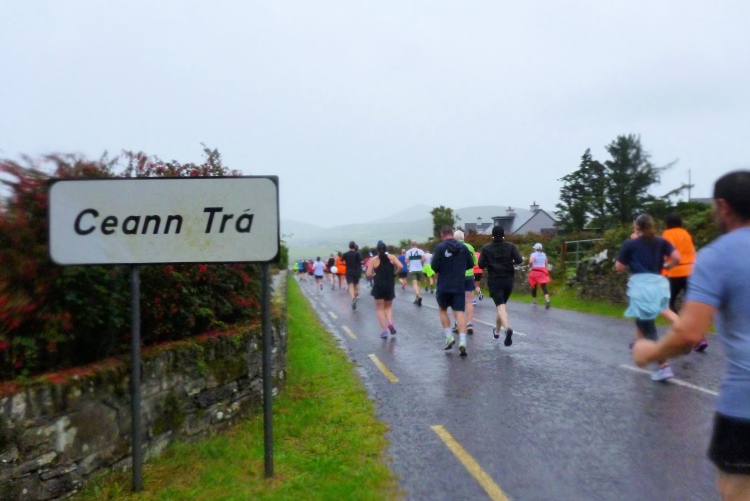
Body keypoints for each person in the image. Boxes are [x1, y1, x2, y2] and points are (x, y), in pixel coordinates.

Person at [632, 171, 750, 501]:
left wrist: (649, 352)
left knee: (738, 490)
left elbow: (689, 334)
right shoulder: (684, 239)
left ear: (723, 206)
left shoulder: (719, 255)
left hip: (744, 403)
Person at [616, 213, 681, 381]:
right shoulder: (661, 241)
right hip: (659, 284)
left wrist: (627, 261)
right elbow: (677, 257)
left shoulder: (630, 244)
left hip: (641, 286)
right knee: (643, 320)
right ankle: (640, 346)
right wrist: (667, 266)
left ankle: (664, 366)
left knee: (648, 326)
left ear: (637, 227)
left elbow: (619, 267)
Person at [662, 214, 707, 352]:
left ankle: (681, 332)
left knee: (667, 304)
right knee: (691, 305)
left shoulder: (667, 234)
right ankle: (700, 338)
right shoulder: (685, 233)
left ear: (667, 223)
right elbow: (693, 251)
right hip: (691, 271)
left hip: (675, 271)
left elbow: (667, 253)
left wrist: (662, 266)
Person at [431, 226, 475, 356]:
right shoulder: (464, 248)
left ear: (442, 235)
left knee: (442, 309)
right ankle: (462, 341)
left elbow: (434, 266)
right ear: (452, 234)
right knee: (460, 312)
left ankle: (449, 337)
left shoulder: (440, 247)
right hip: (459, 285)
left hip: (444, 284)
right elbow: (470, 264)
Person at [478, 226, 523, 346]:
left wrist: (488, 262)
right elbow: (519, 260)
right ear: (503, 235)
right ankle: (497, 332)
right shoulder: (510, 246)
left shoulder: (486, 248)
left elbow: (480, 265)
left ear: (492, 235)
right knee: (500, 306)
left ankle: (507, 329)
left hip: (495, 281)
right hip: (508, 281)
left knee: (501, 308)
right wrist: (511, 262)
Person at [366, 240, 403, 338]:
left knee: (380, 309)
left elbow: (368, 274)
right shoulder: (392, 257)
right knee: (388, 307)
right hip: (390, 284)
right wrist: (394, 274)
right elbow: (400, 266)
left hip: (378, 285)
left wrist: (373, 275)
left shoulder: (373, 260)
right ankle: (390, 322)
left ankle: (384, 330)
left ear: (377, 250)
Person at [453, 230, 478, 334]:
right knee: (468, 301)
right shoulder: (470, 247)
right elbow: (475, 262)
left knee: (456, 301)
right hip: (469, 276)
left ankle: (458, 324)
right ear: (463, 237)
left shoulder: (452, 247)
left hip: (457, 277)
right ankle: (469, 324)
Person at [528, 243, 551, 309]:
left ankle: (534, 301)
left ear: (535, 249)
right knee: (544, 287)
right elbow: (546, 263)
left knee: (533, 286)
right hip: (542, 272)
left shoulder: (533, 254)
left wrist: (529, 266)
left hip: (535, 272)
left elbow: (531, 261)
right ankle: (547, 300)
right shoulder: (544, 254)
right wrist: (544, 268)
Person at [342, 241, 363, 310]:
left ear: (349, 246)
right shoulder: (358, 254)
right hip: (357, 271)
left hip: (349, 271)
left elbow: (341, 261)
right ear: (354, 246)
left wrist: (346, 264)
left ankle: (353, 298)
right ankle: (356, 293)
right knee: (356, 283)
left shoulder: (345, 254)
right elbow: (362, 261)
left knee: (350, 286)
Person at [405, 240, 426, 306]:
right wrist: (420, 262)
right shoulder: (420, 251)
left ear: (411, 245)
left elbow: (406, 261)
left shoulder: (408, 252)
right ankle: (417, 299)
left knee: (414, 284)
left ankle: (418, 296)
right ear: (417, 244)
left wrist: (409, 262)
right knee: (418, 284)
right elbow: (424, 258)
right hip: (419, 269)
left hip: (412, 269)